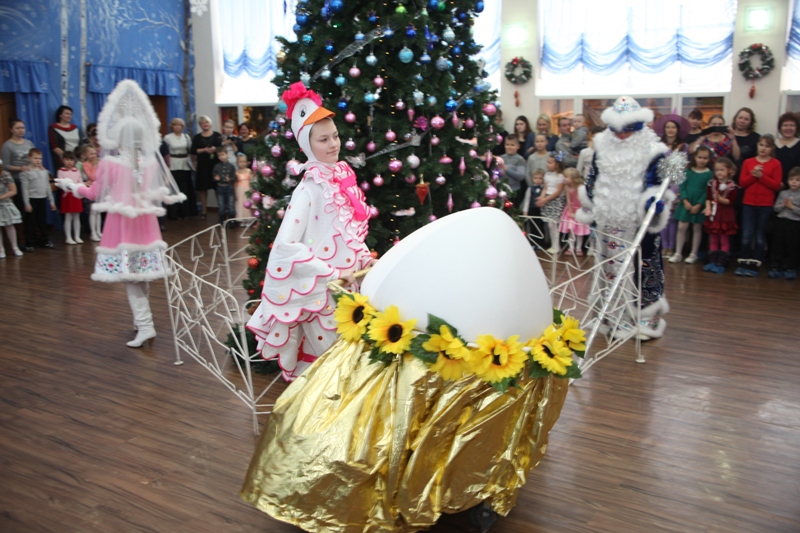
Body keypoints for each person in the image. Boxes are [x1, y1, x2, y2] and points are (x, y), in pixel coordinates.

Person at [246, 82, 374, 382]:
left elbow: (348, 230)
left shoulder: (340, 177)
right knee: (329, 370)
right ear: (307, 144)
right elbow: (285, 246)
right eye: (323, 139)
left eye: (335, 136)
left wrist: (365, 258)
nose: (333, 144)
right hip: (324, 297)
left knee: (351, 365)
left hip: (351, 289)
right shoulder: (308, 188)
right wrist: (329, 274)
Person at [55, 80, 186, 347]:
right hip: (146, 226)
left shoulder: (110, 164)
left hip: (122, 226)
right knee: (141, 273)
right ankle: (142, 322)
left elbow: (94, 194)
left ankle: (145, 325)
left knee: (129, 276)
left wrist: (71, 185)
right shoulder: (150, 163)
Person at [576, 96, 678, 340]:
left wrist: (653, 202)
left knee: (642, 270)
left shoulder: (654, 150)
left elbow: (658, 185)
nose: (622, 135)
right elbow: (593, 178)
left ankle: (643, 320)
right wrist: (590, 201)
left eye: (629, 129)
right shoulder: (602, 145)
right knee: (606, 269)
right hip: (606, 221)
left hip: (638, 224)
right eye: (617, 129)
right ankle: (609, 317)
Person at [735, 135, 783, 277]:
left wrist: (761, 176)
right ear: (757, 146)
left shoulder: (776, 164)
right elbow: (742, 183)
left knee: (760, 235)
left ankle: (755, 264)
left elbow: (776, 185)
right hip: (749, 203)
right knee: (746, 235)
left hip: (765, 204)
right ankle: (743, 263)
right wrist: (753, 175)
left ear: (772, 148)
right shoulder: (748, 162)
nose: (763, 148)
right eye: (761, 145)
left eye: (767, 146)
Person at [670, 146, 712, 264]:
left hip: (699, 203)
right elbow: (682, 187)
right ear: (694, 157)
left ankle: (693, 254)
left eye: (705, 158)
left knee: (697, 228)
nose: (702, 160)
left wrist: (699, 204)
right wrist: (685, 201)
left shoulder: (709, 174)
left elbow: (706, 191)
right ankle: (678, 253)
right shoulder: (687, 171)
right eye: (700, 157)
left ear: (709, 159)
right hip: (686, 202)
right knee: (681, 227)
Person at [702, 157, 739, 274]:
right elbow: (708, 198)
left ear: (729, 171)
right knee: (713, 237)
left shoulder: (732, 186)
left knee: (723, 238)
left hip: (725, 215)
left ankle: (721, 262)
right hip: (714, 213)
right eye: (717, 170)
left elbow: (730, 201)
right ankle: (712, 261)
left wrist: (719, 199)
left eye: (722, 170)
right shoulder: (712, 183)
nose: (719, 172)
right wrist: (708, 207)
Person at [2, 119, 35, 248]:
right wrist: (20, 168)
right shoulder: (7, 145)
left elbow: (34, 157)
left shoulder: (29, 143)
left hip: (30, 179)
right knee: (22, 209)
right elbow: (5, 165)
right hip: (17, 180)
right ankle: (22, 240)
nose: (21, 130)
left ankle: (33, 237)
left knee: (32, 209)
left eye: (22, 128)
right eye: (17, 128)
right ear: (11, 129)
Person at [768, 167, 800, 280]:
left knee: (792, 246)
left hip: (794, 223)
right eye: (791, 179)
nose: (794, 182)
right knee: (778, 244)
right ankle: (775, 266)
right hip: (781, 221)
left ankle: (791, 267)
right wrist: (782, 206)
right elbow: (775, 208)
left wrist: (792, 207)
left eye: (797, 180)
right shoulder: (783, 193)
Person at [20, 148, 56, 251]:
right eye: (35, 158)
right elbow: (25, 189)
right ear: (29, 158)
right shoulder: (26, 173)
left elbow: (47, 187)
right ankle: (29, 243)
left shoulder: (44, 172)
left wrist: (51, 201)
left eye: (40, 158)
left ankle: (44, 241)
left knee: (42, 221)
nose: (38, 160)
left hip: (42, 199)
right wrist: (27, 203)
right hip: (32, 199)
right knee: (30, 222)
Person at [163, 118, 197, 219]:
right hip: (173, 164)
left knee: (185, 189)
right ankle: (174, 213)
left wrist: (194, 163)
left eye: (180, 125)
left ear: (183, 127)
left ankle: (186, 212)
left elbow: (190, 151)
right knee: (174, 188)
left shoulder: (186, 137)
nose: (178, 127)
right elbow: (165, 152)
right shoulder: (168, 137)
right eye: (175, 125)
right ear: (172, 127)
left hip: (185, 164)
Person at [190, 115, 222, 218]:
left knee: (218, 187)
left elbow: (222, 148)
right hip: (203, 165)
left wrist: (215, 149)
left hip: (216, 165)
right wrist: (204, 150)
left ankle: (221, 209)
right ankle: (204, 211)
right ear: (200, 125)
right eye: (203, 123)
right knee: (202, 188)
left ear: (210, 123)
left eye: (206, 122)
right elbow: (193, 151)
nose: (205, 124)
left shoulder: (217, 135)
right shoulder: (197, 137)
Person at [538, 152, 566, 253]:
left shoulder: (560, 176)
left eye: (550, 163)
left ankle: (556, 245)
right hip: (548, 199)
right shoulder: (547, 175)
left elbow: (558, 191)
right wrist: (542, 197)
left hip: (556, 200)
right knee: (549, 224)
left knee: (553, 223)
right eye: (547, 162)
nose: (547, 164)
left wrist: (546, 199)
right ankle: (553, 245)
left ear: (557, 164)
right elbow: (545, 188)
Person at [559, 167, 590, 256]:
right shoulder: (567, 187)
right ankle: (571, 247)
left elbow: (582, 200)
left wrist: (579, 212)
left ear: (573, 178)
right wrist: (571, 212)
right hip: (571, 210)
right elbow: (568, 200)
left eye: (566, 177)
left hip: (580, 209)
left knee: (580, 230)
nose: (564, 179)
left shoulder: (580, 187)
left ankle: (578, 248)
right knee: (571, 229)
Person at [58, 151, 84, 244]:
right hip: (67, 195)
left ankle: (77, 236)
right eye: (67, 159)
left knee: (77, 216)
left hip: (76, 195)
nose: (69, 162)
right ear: (63, 160)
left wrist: (81, 187)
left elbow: (80, 181)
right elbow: (60, 183)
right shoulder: (61, 171)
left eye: (71, 160)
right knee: (68, 216)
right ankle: (68, 237)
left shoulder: (76, 170)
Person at [0, 159, 23, 257]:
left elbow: (13, 191)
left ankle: (15, 247)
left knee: (9, 225)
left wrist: (1, 197)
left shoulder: (5, 175)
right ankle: (1, 249)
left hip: (5, 203)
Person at [80, 145, 103, 241]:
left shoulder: (99, 163)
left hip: (100, 188)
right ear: (86, 154)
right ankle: (93, 232)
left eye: (94, 153)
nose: (93, 155)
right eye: (91, 153)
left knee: (98, 212)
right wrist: (94, 166)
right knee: (93, 212)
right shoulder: (85, 164)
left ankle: (98, 231)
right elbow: (92, 176)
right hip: (91, 189)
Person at [48, 105, 81, 171]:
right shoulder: (53, 127)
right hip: (63, 161)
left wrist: (76, 159)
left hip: (76, 160)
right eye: (66, 113)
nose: (69, 115)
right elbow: (54, 146)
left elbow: (79, 144)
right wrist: (68, 159)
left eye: (70, 114)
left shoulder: (75, 128)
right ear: (60, 115)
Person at [498, 136, 526, 207]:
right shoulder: (500, 158)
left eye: (512, 145)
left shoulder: (520, 159)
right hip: (502, 190)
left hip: (514, 191)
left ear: (518, 146)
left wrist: (507, 169)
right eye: (507, 145)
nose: (509, 147)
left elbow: (521, 176)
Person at [521, 168, 545, 248]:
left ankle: (540, 243)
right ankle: (533, 243)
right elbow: (527, 200)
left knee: (540, 227)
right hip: (532, 210)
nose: (538, 180)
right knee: (532, 227)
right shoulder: (530, 189)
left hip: (541, 211)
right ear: (532, 179)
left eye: (540, 178)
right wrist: (525, 211)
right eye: (535, 178)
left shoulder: (544, 189)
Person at [212, 147, 236, 225]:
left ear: (227, 154)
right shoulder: (216, 166)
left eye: (223, 155)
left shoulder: (231, 166)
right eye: (219, 155)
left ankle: (232, 221)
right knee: (221, 205)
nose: (221, 157)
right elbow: (213, 177)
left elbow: (235, 177)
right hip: (220, 187)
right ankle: (222, 221)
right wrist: (216, 178)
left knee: (231, 205)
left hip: (229, 187)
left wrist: (230, 179)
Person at [775, 113, 800, 187]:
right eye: (785, 125)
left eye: (792, 125)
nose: (788, 128)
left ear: (796, 128)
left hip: (794, 188)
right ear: (780, 128)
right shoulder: (772, 144)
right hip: (772, 187)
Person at [235, 153, 253, 221]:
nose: (242, 163)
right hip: (240, 189)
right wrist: (235, 192)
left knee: (247, 202)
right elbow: (235, 183)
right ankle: (241, 219)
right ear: (237, 163)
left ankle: (248, 219)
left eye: (244, 162)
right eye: (240, 162)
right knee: (241, 204)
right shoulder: (237, 172)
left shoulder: (249, 171)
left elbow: (251, 180)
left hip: (247, 189)